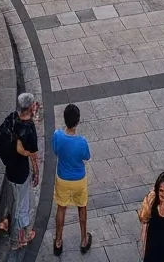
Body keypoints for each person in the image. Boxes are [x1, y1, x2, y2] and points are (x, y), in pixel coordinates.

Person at [0, 92, 43, 251]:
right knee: (23, 205)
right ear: (29, 107)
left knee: (15, 198)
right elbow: (32, 153)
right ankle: (20, 238)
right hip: (21, 173)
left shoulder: (11, 118)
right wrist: (36, 171)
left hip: (10, 170)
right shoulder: (28, 128)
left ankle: (8, 223)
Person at [51, 103, 93, 256]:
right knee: (82, 207)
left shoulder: (57, 136)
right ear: (77, 121)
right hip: (78, 180)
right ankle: (83, 240)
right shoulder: (82, 142)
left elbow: (55, 151)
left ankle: (58, 241)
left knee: (61, 208)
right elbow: (86, 157)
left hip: (62, 178)